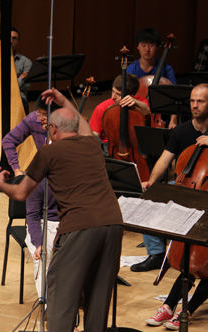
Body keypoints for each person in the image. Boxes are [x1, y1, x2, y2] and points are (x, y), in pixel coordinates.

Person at [0, 88, 123, 332]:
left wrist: (1, 184)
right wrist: (64, 101)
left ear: (52, 130)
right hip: (114, 223)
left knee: (62, 298)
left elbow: (22, 193)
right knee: (98, 294)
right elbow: (83, 124)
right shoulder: (93, 145)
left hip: (80, 226)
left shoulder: (49, 152)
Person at [131, 83, 208, 272]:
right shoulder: (181, 130)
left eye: (200, 101)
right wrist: (152, 181)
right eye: (192, 101)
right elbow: (164, 160)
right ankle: (156, 253)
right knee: (150, 200)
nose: (195, 105)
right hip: (186, 184)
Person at [127, 28, 177, 128]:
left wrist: (173, 122)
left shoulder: (167, 69)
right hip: (137, 113)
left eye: (151, 45)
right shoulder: (131, 69)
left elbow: (175, 97)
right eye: (143, 45)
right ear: (137, 47)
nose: (147, 49)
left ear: (157, 47)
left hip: (161, 114)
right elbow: (125, 95)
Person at [2, 96, 59, 177]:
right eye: (39, 112)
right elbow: (8, 141)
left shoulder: (65, 123)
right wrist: (16, 170)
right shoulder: (32, 119)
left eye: (45, 115)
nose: (40, 118)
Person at [25, 179, 59, 300]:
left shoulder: (74, 180)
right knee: (42, 257)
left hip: (67, 223)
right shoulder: (37, 183)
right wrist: (39, 243)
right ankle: (46, 305)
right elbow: (32, 217)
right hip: (42, 224)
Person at [0, 27, 32, 114]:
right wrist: (20, 79)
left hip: (19, 99)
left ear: (18, 42)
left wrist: (1, 85)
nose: (10, 41)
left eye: (14, 38)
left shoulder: (26, 62)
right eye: (8, 38)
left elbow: (26, 86)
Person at [89, 73, 150, 138]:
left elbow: (146, 111)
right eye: (113, 91)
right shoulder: (101, 108)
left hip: (133, 143)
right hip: (109, 144)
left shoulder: (140, 101)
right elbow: (95, 135)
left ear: (131, 96)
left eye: (118, 94)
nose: (113, 97)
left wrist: (135, 102)